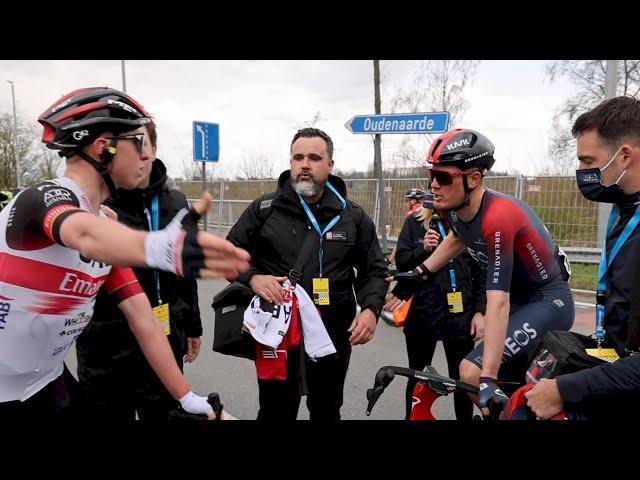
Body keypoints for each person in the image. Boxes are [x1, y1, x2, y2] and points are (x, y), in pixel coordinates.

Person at [0, 87, 249, 420]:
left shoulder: (106, 223)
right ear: (105, 148)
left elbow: (143, 318)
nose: (147, 156)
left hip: (44, 381)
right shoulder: (41, 196)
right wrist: (160, 247)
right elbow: (82, 233)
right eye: (140, 143)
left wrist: (186, 397)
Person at [385, 128, 574, 415]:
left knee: (471, 372)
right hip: (522, 302)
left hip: (547, 301)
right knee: (505, 386)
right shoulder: (454, 206)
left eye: (443, 177)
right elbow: (457, 238)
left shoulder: (498, 217)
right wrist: (420, 272)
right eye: (431, 175)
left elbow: (498, 301)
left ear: (473, 178)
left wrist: (487, 376)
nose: (434, 185)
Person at [227, 127, 388, 421]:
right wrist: (253, 278)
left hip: (331, 333)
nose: (304, 165)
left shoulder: (352, 216)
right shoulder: (264, 209)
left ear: (330, 165)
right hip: (276, 334)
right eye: (297, 157)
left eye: (314, 158)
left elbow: (374, 270)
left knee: (326, 410)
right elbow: (229, 253)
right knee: (276, 411)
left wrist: (371, 310)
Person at [76, 119, 204, 421]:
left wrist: (193, 325)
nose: (139, 153)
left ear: (154, 149)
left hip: (164, 335)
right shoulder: (96, 204)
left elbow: (186, 267)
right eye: (129, 145)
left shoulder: (177, 202)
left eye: (143, 143)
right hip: (105, 345)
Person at [525, 96, 640, 419]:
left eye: (588, 161)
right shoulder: (625, 212)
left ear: (625, 156)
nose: (581, 172)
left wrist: (566, 390)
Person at [389, 195, 485, 420]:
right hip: (424, 310)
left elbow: (483, 271)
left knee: (462, 377)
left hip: (460, 310)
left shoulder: (467, 223)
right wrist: (423, 248)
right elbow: (402, 261)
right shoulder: (415, 222)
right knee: (418, 374)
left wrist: (481, 311)